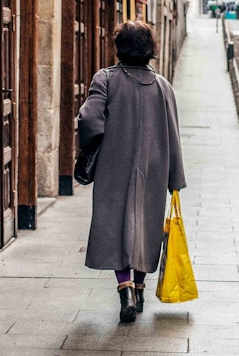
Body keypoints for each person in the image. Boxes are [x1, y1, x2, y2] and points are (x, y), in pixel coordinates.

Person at [76, 21, 187, 323]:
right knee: (146, 227)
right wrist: (175, 177)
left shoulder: (106, 79)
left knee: (115, 225)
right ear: (150, 48)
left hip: (114, 167)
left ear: (119, 46)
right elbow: (173, 134)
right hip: (154, 169)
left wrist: (92, 144)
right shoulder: (163, 86)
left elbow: (89, 119)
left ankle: (123, 287)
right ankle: (139, 287)